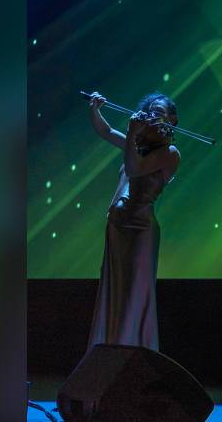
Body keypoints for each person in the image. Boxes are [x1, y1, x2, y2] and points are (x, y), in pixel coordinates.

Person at [85, 91, 182, 350]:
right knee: (114, 292)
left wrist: (131, 134)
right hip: (117, 227)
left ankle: (134, 353)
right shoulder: (137, 145)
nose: (151, 116)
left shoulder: (170, 153)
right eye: (149, 112)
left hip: (141, 229)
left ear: (171, 120)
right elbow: (106, 131)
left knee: (134, 296)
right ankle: (110, 349)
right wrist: (95, 109)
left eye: (158, 113)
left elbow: (134, 168)